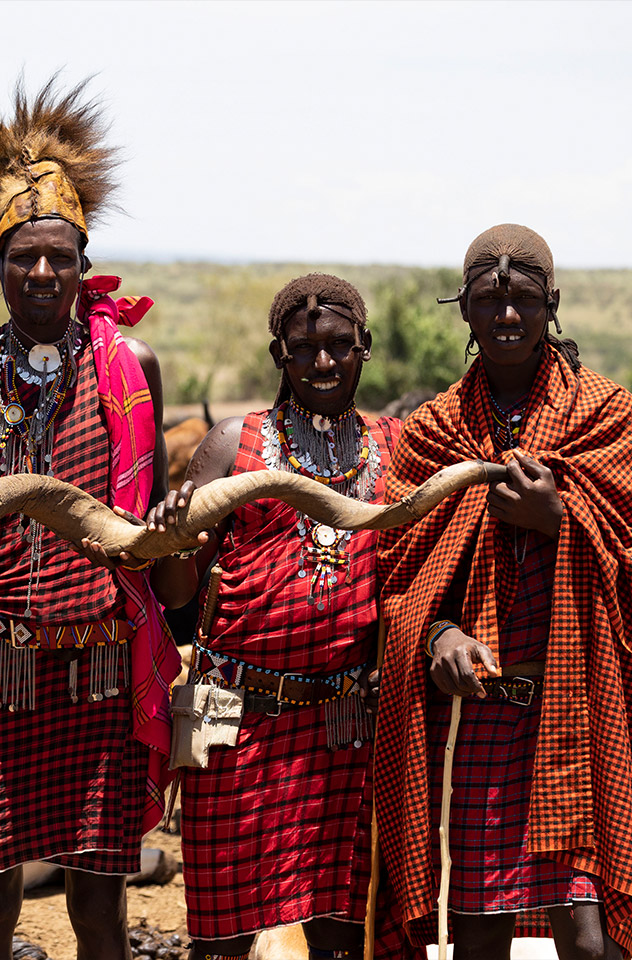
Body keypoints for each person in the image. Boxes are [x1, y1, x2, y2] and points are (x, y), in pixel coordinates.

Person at [0, 78, 178, 960]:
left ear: (82, 262)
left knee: (98, 911)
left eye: (57, 257)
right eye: (21, 257)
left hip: (98, 671)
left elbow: (146, 512)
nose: (39, 273)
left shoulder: (128, 363)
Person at [374, 224, 632, 959]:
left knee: (589, 937)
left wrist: (563, 520)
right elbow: (399, 573)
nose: (507, 316)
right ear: (465, 311)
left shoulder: (608, 417)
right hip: (473, 719)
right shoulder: (431, 433)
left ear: (553, 303)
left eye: (522, 299)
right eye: (489, 300)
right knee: (477, 933)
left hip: (579, 708)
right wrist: (438, 635)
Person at [150, 274, 399, 960]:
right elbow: (174, 594)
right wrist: (175, 538)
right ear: (279, 356)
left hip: (345, 724)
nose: (323, 362)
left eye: (339, 346)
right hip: (235, 721)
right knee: (222, 937)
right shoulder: (235, 444)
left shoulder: (396, 447)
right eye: (304, 348)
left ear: (365, 347)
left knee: (341, 932)